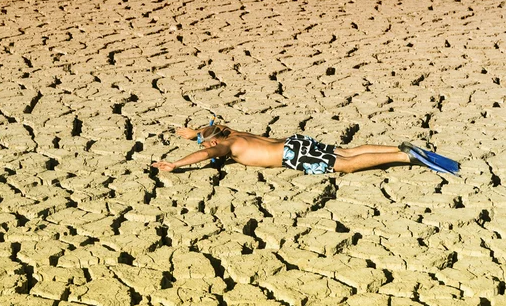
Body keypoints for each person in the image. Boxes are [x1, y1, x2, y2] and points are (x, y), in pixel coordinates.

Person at [151, 124, 415, 174]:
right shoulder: (230, 132)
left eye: (206, 141)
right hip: (295, 142)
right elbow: (214, 126)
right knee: (346, 150)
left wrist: (176, 163)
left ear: (214, 141)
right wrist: (195, 133)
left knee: (343, 164)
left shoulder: (226, 145)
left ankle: (404, 156)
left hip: (292, 155)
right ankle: (398, 147)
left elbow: (204, 153)